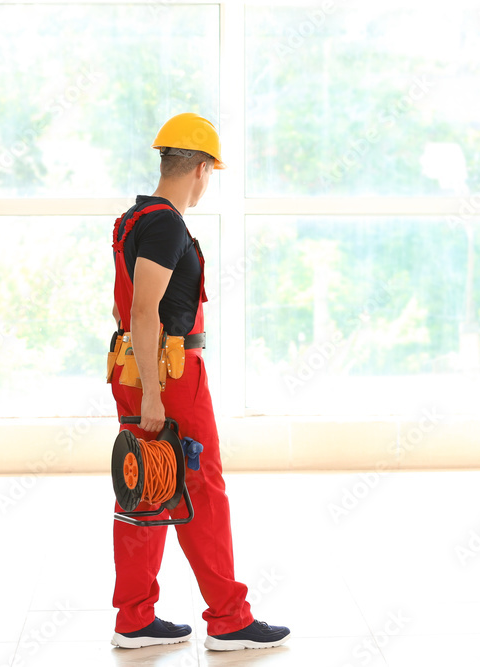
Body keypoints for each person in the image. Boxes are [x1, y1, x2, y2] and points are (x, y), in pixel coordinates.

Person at [107, 112, 290, 651]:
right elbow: (143, 312)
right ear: (202, 170)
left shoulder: (133, 218)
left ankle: (135, 616)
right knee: (201, 490)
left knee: (145, 486)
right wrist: (159, 398)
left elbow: (126, 307)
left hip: (136, 371)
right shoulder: (165, 224)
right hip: (170, 375)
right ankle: (230, 619)